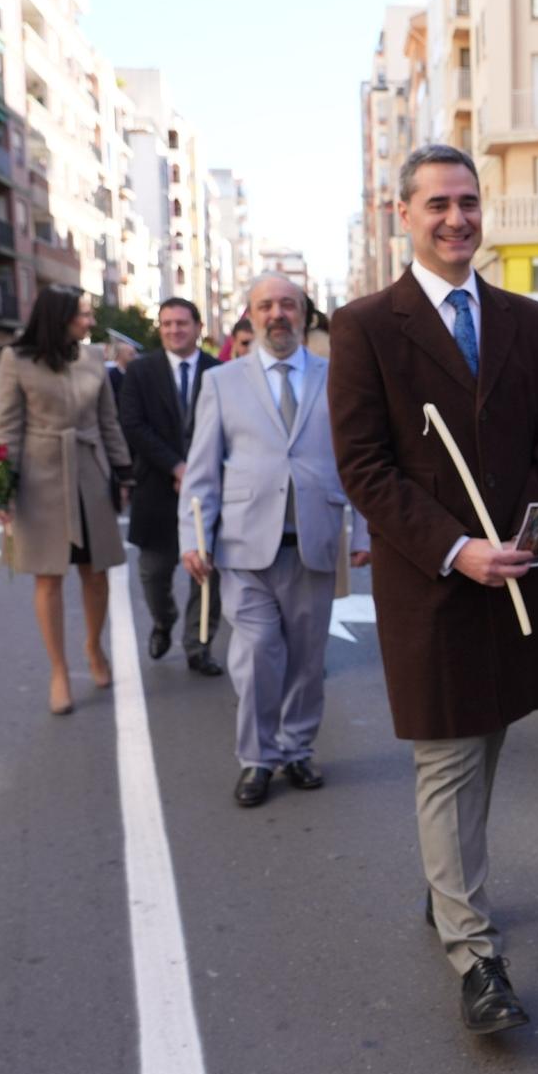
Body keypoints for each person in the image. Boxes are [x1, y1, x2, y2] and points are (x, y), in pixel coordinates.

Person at [330, 143, 538, 1035]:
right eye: (438, 203)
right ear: (405, 214)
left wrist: (534, 530)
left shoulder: (525, 318)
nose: (456, 218)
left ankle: (445, 888)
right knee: (448, 758)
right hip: (433, 586)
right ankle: (474, 954)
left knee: (489, 744)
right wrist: (456, 547)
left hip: (516, 577)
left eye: (468, 202)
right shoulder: (365, 326)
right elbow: (364, 466)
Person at [181, 274, 365, 809]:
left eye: (288, 305)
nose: (277, 314)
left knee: (307, 659)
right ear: (251, 316)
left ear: (304, 313)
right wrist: (193, 539)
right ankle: (258, 758)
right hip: (242, 545)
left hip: (314, 540)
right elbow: (200, 471)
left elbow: (358, 459)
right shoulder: (222, 382)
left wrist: (367, 528)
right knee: (259, 652)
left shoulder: (338, 377)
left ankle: (298, 748)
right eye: (266, 306)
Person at [0, 286, 133, 716]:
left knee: (96, 572)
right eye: (83, 315)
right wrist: (2, 485)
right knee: (48, 577)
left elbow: (108, 421)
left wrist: (124, 470)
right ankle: (58, 671)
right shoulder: (17, 360)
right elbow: (7, 427)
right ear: (60, 317)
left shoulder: (93, 360)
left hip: (90, 473)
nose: (90, 322)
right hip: (40, 478)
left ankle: (94, 648)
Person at [118, 296, 223, 676]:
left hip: (209, 492)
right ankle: (164, 621)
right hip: (158, 490)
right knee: (153, 573)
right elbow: (132, 424)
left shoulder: (220, 371)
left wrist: (199, 472)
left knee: (207, 574)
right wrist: (177, 467)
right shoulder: (140, 372)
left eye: (181, 323)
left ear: (198, 327)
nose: (174, 330)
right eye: (167, 324)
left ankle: (199, 645)